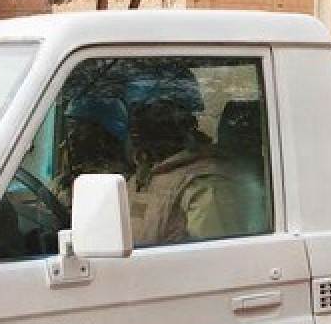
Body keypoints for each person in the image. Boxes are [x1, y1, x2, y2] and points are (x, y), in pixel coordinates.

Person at [126, 64, 244, 246]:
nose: (137, 123)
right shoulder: (144, 174)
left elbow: (219, 262)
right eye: (135, 110)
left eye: (151, 112)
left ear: (180, 119)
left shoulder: (205, 185)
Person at [54, 96, 132, 204]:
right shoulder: (67, 179)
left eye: (79, 129)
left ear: (104, 136)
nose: (71, 137)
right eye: (70, 127)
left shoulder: (111, 184)